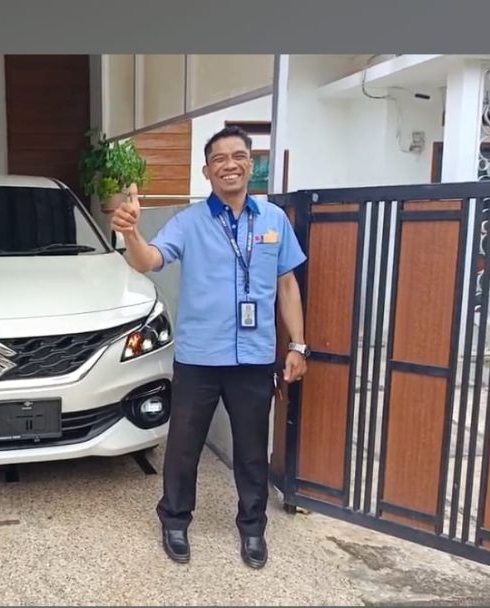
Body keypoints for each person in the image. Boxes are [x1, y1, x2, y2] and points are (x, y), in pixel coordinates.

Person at [110, 125, 309, 569]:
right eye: (219, 159)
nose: (229, 165)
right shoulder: (189, 222)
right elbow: (149, 261)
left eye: (238, 156)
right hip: (199, 358)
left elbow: (287, 285)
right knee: (184, 447)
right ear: (207, 171)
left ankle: (253, 528)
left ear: (251, 164)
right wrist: (132, 234)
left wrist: (297, 345)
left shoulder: (273, 220)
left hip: (254, 359)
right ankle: (175, 520)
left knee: (252, 451)